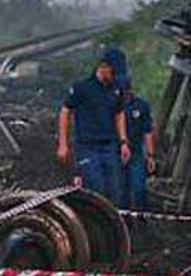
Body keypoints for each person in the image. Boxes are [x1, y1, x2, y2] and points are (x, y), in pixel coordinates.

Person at [56, 53, 130, 203]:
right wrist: (63, 144)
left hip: (109, 146)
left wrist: (123, 141)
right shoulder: (82, 88)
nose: (115, 78)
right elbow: (65, 111)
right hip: (87, 146)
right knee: (96, 188)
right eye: (113, 73)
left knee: (115, 191)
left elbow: (119, 112)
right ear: (103, 67)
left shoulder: (117, 89)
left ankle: (113, 223)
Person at [121, 82, 155, 210]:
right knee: (120, 191)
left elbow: (147, 131)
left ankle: (143, 217)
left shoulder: (141, 105)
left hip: (136, 153)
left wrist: (150, 155)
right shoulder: (112, 105)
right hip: (115, 153)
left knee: (139, 188)